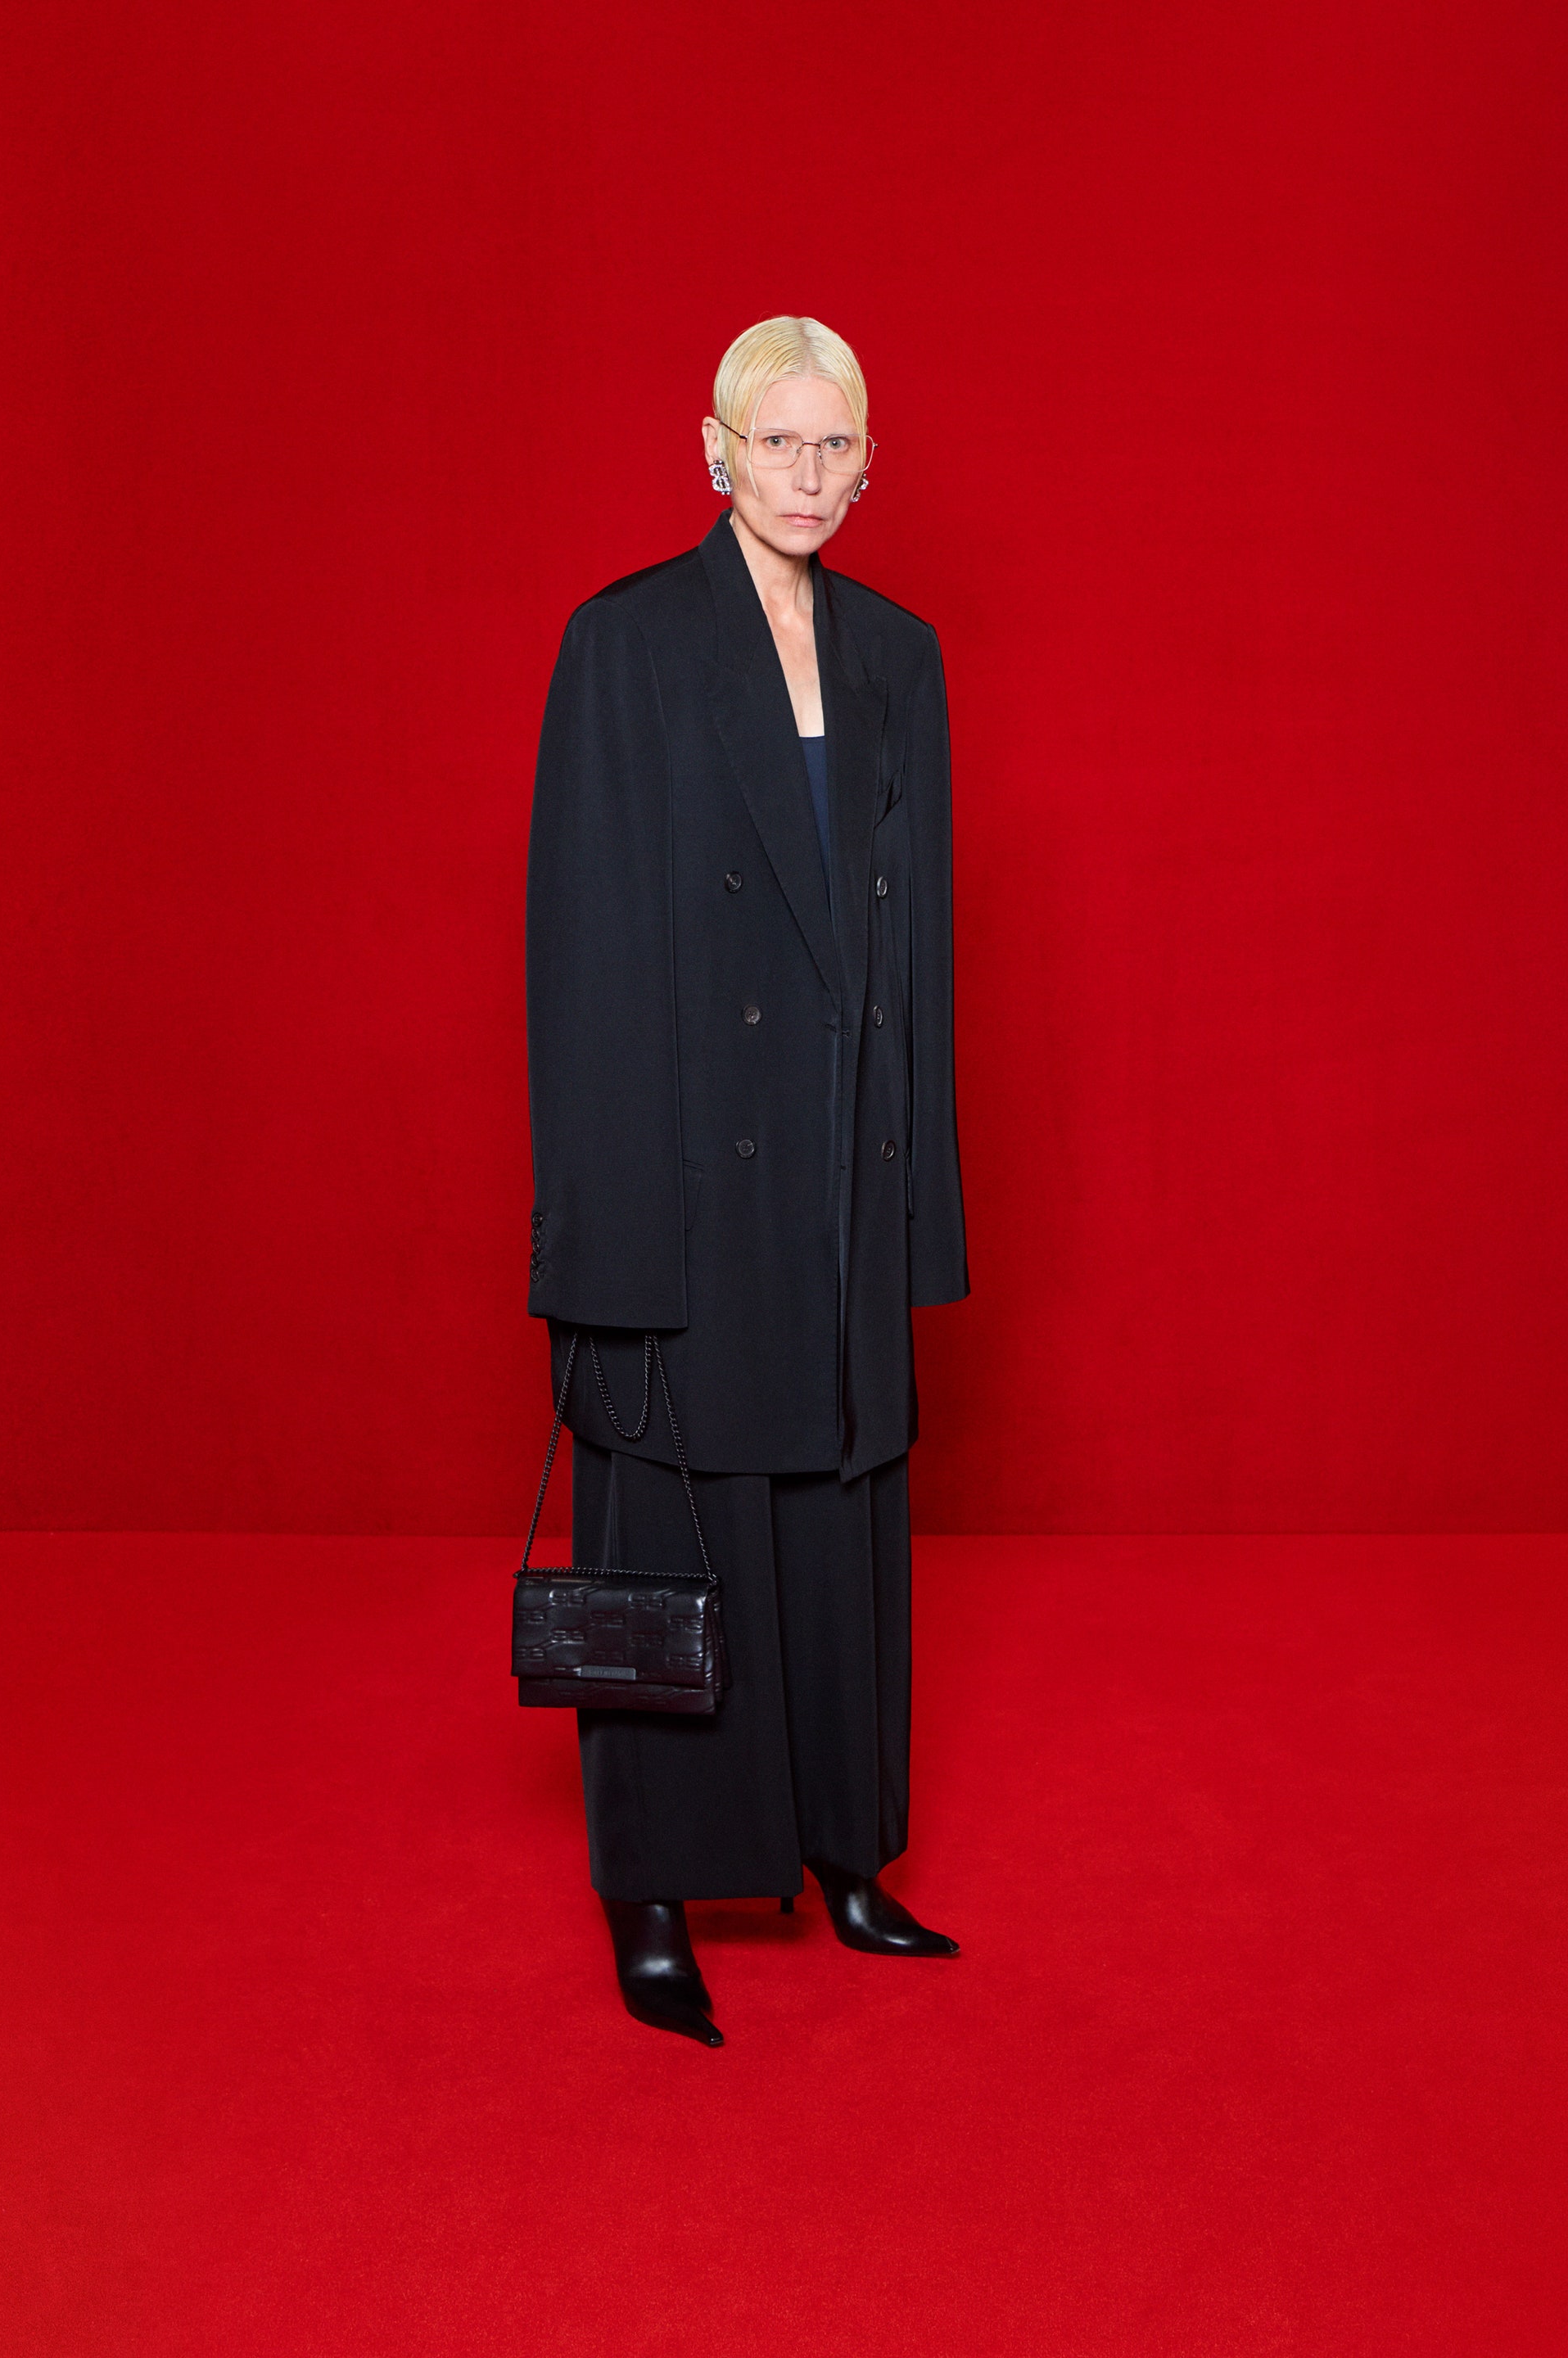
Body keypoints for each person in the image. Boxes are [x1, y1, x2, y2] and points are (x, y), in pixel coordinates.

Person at [524, 315, 969, 2045]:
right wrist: (602, 1243)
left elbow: (917, 958)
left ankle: (845, 1850)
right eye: (775, 442)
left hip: (839, 1166)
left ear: (870, 463)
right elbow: (581, 954)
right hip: (689, 1175)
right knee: (676, 1518)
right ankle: (653, 1894)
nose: (806, 474)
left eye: (833, 444)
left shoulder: (901, 657)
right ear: (713, 452)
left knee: (842, 1517)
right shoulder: (625, 644)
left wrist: (915, 1208)